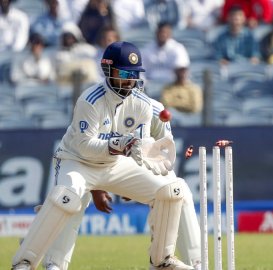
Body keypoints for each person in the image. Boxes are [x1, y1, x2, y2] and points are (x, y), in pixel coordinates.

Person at [11, 41, 193, 270]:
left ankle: (162, 261)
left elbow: (138, 145)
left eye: (134, 74)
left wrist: (141, 162)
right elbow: (86, 146)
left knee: (170, 190)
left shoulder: (143, 105)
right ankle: (26, 262)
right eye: (124, 73)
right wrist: (118, 145)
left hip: (115, 164)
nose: (130, 80)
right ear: (108, 70)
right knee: (67, 198)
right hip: (76, 161)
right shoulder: (90, 100)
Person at [40, 98, 202, 270]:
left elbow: (162, 157)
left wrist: (138, 180)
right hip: (87, 162)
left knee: (177, 189)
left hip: (132, 165)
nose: (128, 89)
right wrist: (97, 188)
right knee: (73, 195)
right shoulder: (101, 104)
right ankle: (53, 262)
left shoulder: (155, 111)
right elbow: (89, 149)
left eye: (133, 83)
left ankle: (194, 263)